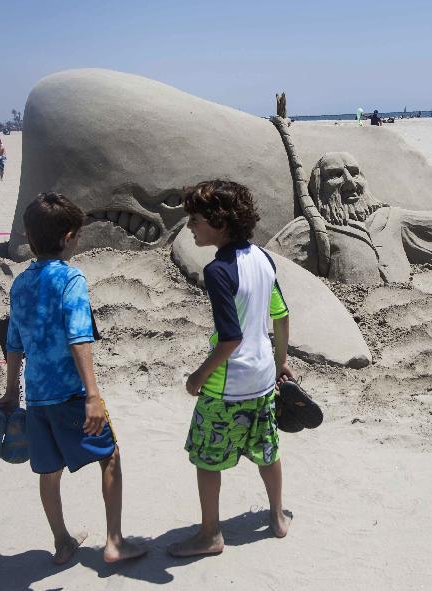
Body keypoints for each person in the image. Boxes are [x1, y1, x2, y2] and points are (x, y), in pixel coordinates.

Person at [0, 192, 147, 565]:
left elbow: (14, 341)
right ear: (68, 238)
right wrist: (92, 395)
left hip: (38, 397)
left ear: (30, 239)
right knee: (109, 457)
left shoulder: (20, 284)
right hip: (72, 395)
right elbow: (79, 337)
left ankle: (62, 542)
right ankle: (114, 541)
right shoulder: (71, 278)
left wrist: (12, 391)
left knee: (48, 469)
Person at [169, 180, 293, 557]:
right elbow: (282, 315)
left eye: (196, 219)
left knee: (208, 460)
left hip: (226, 386)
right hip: (263, 379)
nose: (190, 225)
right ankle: (276, 517)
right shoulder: (263, 258)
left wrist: (197, 377)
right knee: (267, 451)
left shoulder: (218, 271)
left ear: (220, 222)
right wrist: (282, 360)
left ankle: (210, 535)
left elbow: (229, 339)